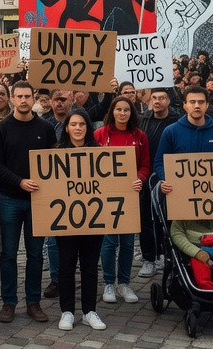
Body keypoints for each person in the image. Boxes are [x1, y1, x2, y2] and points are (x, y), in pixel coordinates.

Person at [0, 80, 57, 324]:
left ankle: (33, 302)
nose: (23, 100)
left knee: (36, 254)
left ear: (34, 99)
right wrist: (19, 181)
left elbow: (53, 163)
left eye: (27, 96)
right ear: (12, 99)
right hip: (10, 198)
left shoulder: (46, 128)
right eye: (18, 96)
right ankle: (8, 302)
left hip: (38, 201)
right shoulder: (2, 128)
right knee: (8, 254)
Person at [54, 108, 112, 331]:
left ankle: (90, 311)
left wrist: (131, 183)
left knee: (89, 267)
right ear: (66, 127)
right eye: (74, 124)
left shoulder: (99, 152)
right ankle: (67, 311)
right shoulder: (55, 152)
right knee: (66, 266)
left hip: (93, 220)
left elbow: (111, 182)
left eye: (82, 124)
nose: (78, 128)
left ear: (88, 128)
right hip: (65, 219)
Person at [92, 96, 149, 305]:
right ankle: (108, 282)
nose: (122, 113)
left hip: (130, 194)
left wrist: (140, 179)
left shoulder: (140, 136)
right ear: (112, 112)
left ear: (131, 113)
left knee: (126, 242)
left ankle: (123, 282)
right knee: (108, 241)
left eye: (126, 110)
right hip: (105, 196)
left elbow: (145, 165)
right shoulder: (99, 134)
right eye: (118, 109)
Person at [138, 88, 177, 277]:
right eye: (154, 97)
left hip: (170, 178)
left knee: (168, 220)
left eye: (162, 98)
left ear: (168, 101)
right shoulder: (143, 120)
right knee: (145, 220)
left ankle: (167, 256)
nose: (157, 101)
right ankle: (149, 259)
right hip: (147, 177)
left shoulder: (177, 121)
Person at [171, 217, 213, 289]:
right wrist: (197, 253)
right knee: (201, 270)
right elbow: (178, 237)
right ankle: (207, 289)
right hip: (195, 252)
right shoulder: (179, 219)